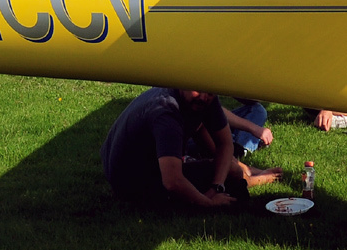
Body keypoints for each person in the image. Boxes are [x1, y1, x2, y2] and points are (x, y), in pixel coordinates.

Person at [101, 88, 246, 209]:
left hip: (121, 169)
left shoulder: (204, 98)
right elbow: (172, 181)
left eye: (209, 92)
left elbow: (225, 144)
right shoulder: (167, 113)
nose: (203, 97)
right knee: (234, 173)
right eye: (197, 90)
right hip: (131, 182)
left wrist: (216, 186)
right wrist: (209, 203)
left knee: (230, 169)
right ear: (183, 83)